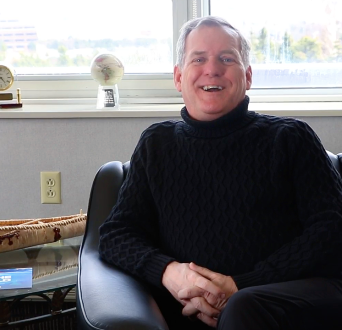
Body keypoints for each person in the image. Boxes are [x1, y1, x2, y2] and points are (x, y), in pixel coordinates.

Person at [98, 16, 342, 330]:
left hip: (290, 301)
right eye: (198, 59)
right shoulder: (157, 144)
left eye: (227, 58)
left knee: (243, 306)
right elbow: (116, 234)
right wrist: (170, 273)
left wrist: (240, 285)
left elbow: (331, 229)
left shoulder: (291, 138)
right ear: (178, 77)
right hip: (187, 308)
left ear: (248, 75)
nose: (212, 69)